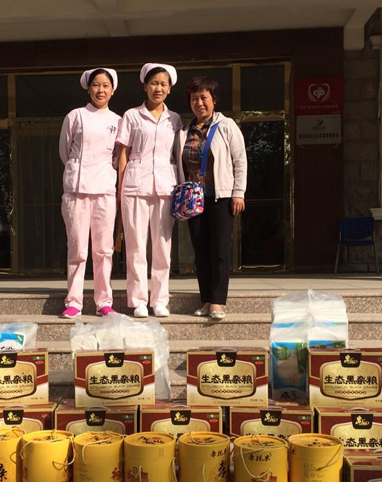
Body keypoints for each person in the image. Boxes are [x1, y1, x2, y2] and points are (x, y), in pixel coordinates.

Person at [173, 76, 247, 321]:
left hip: (221, 197)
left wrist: (238, 193)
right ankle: (205, 299)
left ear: (214, 100)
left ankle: (217, 301)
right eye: (194, 98)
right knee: (201, 252)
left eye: (204, 97)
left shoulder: (226, 126)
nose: (199, 103)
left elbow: (240, 161)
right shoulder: (184, 131)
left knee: (220, 251)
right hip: (193, 200)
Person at [117, 63, 183, 318]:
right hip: (135, 186)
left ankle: (160, 300)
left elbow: (177, 155)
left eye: (163, 84)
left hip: (165, 187)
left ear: (169, 89)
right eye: (154, 83)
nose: (159, 88)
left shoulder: (174, 119)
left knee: (163, 247)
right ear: (145, 86)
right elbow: (123, 153)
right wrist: (120, 187)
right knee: (136, 246)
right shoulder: (131, 116)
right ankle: (138, 300)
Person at [58, 67, 121, 318]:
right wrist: (76, 171)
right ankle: (74, 301)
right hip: (77, 190)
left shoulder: (118, 121)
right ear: (88, 88)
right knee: (77, 249)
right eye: (96, 85)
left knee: (104, 250)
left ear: (113, 90)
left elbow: (117, 157)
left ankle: (103, 301)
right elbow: (65, 151)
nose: (100, 90)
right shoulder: (75, 116)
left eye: (105, 86)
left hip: (104, 189)